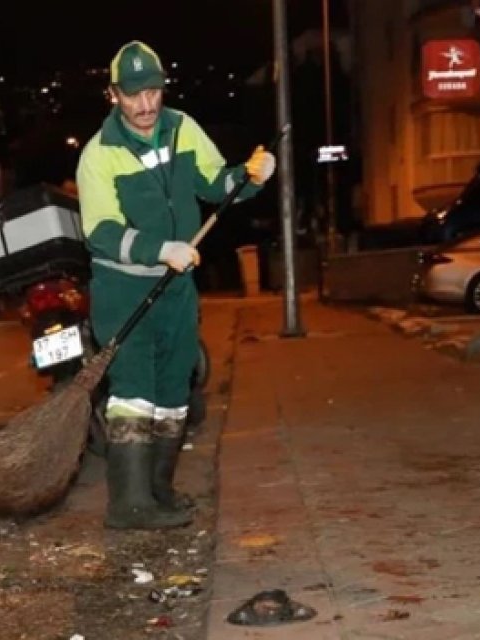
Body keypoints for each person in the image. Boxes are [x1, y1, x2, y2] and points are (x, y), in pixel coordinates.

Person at [76, 41, 276, 529]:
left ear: (163, 88)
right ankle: (128, 504)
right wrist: (159, 249)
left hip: (178, 290)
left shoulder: (183, 127)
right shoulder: (98, 156)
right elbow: (100, 232)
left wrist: (249, 178)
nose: (145, 105)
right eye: (133, 95)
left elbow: (214, 183)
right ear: (113, 95)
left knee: (172, 392)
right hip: (125, 290)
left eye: (153, 92)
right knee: (134, 394)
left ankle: (158, 492)